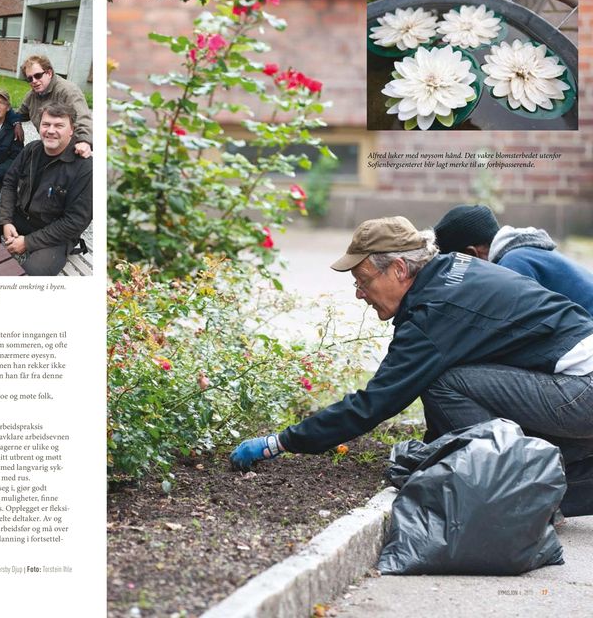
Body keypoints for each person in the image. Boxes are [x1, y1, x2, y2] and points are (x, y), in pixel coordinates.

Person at [230, 216, 593, 517]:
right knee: (449, 379)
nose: (359, 293)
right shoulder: (454, 270)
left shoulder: (434, 312)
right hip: (575, 382)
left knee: (442, 384)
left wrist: (279, 442)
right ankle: (566, 480)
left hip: (582, 391)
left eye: (363, 280)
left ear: (400, 269)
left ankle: (518, 491)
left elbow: (375, 402)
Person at [0, 103, 92, 276]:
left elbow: (75, 222)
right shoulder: (32, 149)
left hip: (55, 234)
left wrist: (28, 243)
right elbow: (9, 182)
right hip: (21, 216)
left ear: (72, 130)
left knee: (33, 271)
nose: (51, 130)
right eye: (46, 124)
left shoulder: (85, 169)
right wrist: (6, 220)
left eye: (59, 125)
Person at [434, 204, 593, 314]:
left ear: (470, 255)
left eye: (458, 265)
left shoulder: (513, 263)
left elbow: (515, 323)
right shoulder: (523, 251)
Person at [14, 55, 93, 159]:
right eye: (30, 78)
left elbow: (83, 118)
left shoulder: (68, 91)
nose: (34, 81)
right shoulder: (32, 95)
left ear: (49, 73)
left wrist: (84, 141)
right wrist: (16, 123)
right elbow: (19, 114)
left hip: (71, 150)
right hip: (49, 147)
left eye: (38, 75)